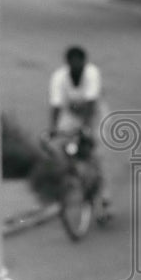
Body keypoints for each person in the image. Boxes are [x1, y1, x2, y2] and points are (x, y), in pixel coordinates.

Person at [47, 45, 111, 212]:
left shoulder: (92, 74)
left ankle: (103, 195)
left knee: (96, 152)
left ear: (84, 62)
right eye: (72, 63)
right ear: (67, 63)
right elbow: (56, 105)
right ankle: (72, 181)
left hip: (95, 116)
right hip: (72, 115)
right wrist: (53, 129)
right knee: (62, 146)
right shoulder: (59, 77)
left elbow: (91, 103)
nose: (76, 66)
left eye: (79, 63)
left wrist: (86, 128)